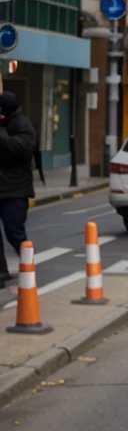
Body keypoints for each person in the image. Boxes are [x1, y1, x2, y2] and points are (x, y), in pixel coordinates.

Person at [0, 92, 37, 289]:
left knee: (14, 231)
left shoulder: (22, 124)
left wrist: (2, 135)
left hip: (15, 189)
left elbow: (23, 148)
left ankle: (29, 266)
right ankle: (1, 273)